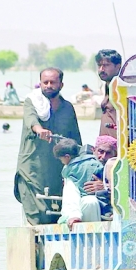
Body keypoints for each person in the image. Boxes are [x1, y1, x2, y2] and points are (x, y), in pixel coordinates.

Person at [14, 67, 82, 225]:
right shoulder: (32, 102)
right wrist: (39, 130)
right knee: (35, 214)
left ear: (61, 85)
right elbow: (31, 120)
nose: (49, 85)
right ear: (40, 83)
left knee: (57, 213)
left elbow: (76, 139)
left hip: (58, 169)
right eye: (45, 82)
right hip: (32, 168)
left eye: (53, 82)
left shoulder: (67, 108)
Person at [53, 138, 103, 227]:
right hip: (100, 200)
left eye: (61, 160)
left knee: (70, 184)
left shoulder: (69, 168)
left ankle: (72, 215)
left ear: (67, 157)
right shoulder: (96, 162)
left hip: (81, 200)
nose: (62, 162)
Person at [83, 134, 118, 218]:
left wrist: (105, 188)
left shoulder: (118, 170)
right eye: (101, 151)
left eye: (108, 153)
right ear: (93, 150)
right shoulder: (85, 166)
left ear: (115, 154)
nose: (103, 157)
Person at [94, 49, 122, 135]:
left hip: (118, 145)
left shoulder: (121, 90)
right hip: (104, 144)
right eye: (99, 65)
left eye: (106, 65)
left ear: (118, 67)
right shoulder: (108, 86)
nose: (101, 69)